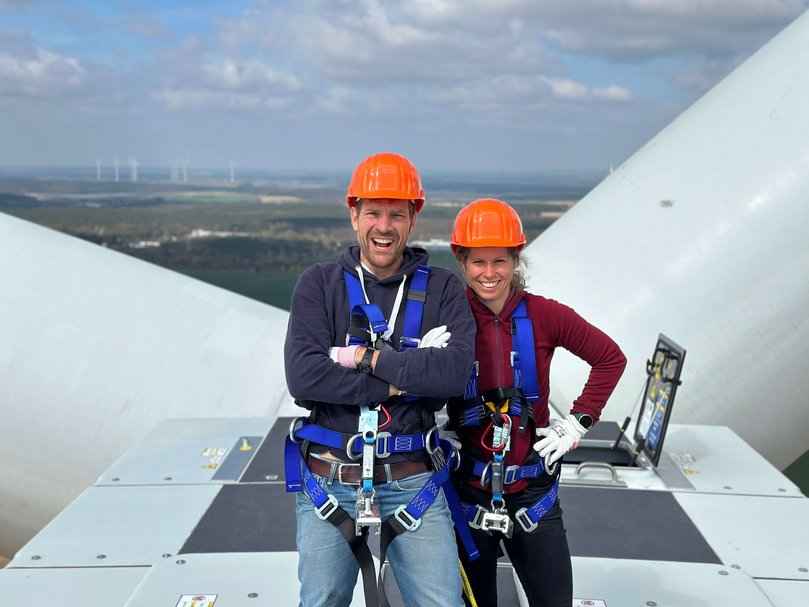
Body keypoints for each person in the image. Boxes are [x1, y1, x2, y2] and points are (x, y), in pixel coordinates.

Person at [284, 152, 476, 607]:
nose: (384, 227)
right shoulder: (319, 285)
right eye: (373, 213)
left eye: (396, 215)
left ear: (413, 219)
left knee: (441, 602)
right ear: (354, 215)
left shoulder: (443, 289)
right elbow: (304, 377)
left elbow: (452, 375)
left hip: (412, 477)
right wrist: (407, 375)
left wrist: (362, 359)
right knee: (323, 599)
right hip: (330, 477)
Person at [447, 198, 627, 607]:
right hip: (468, 492)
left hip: (532, 494)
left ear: (516, 260)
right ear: (462, 262)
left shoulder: (545, 315)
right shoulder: (450, 319)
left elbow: (610, 358)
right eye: (478, 262)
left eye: (500, 261)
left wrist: (578, 421)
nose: (489, 273)